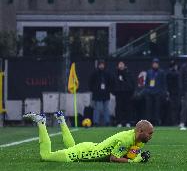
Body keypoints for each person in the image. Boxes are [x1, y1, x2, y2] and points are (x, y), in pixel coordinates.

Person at [23, 111, 152, 163]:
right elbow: (114, 158)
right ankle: (41, 122)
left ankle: (61, 119)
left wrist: (138, 156)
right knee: (46, 156)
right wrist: (134, 161)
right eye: (150, 133)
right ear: (140, 131)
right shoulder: (126, 139)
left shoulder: (138, 139)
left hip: (90, 147)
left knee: (72, 146)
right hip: (84, 152)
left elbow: (129, 154)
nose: (151, 136)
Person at [89, 59, 114, 126]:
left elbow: (110, 83)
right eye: (100, 64)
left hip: (106, 93)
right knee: (97, 108)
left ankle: (107, 122)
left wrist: (109, 90)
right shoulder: (94, 73)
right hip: (97, 94)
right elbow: (90, 83)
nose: (101, 66)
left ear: (104, 65)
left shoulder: (107, 73)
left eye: (102, 64)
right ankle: (96, 122)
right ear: (98, 65)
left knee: (106, 108)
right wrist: (94, 90)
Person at [144, 58, 167, 125]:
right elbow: (147, 83)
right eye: (154, 63)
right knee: (149, 108)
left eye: (156, 63)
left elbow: (164, 83)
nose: (155, 65)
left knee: (157, 108)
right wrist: (147, 90)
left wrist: (163, 92)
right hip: (149, 92)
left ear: (158, 64)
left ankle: (157, 121)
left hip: (158, 93)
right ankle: (149, 122)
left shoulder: (161, 72)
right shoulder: (149, 72)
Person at [113, 61, 135, 127]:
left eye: (122, 64)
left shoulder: (128, 73)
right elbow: (113, 83)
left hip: (127, 93)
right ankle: (119, 122)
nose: (121, 65)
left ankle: (128, 122)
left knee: (128, 108)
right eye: (120, 64)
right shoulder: (115, 73)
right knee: (118, 108)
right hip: (118, 93)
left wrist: (131, 91)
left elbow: (132, 83)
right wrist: (115, 91)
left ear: (125, 65)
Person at [166, 60, 181, 126]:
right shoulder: (170, 73)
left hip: (176, 93)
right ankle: (174, 122)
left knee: (176, 108)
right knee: (173, 108)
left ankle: (175, 122)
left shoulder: (176, 73)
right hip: (172, 93)